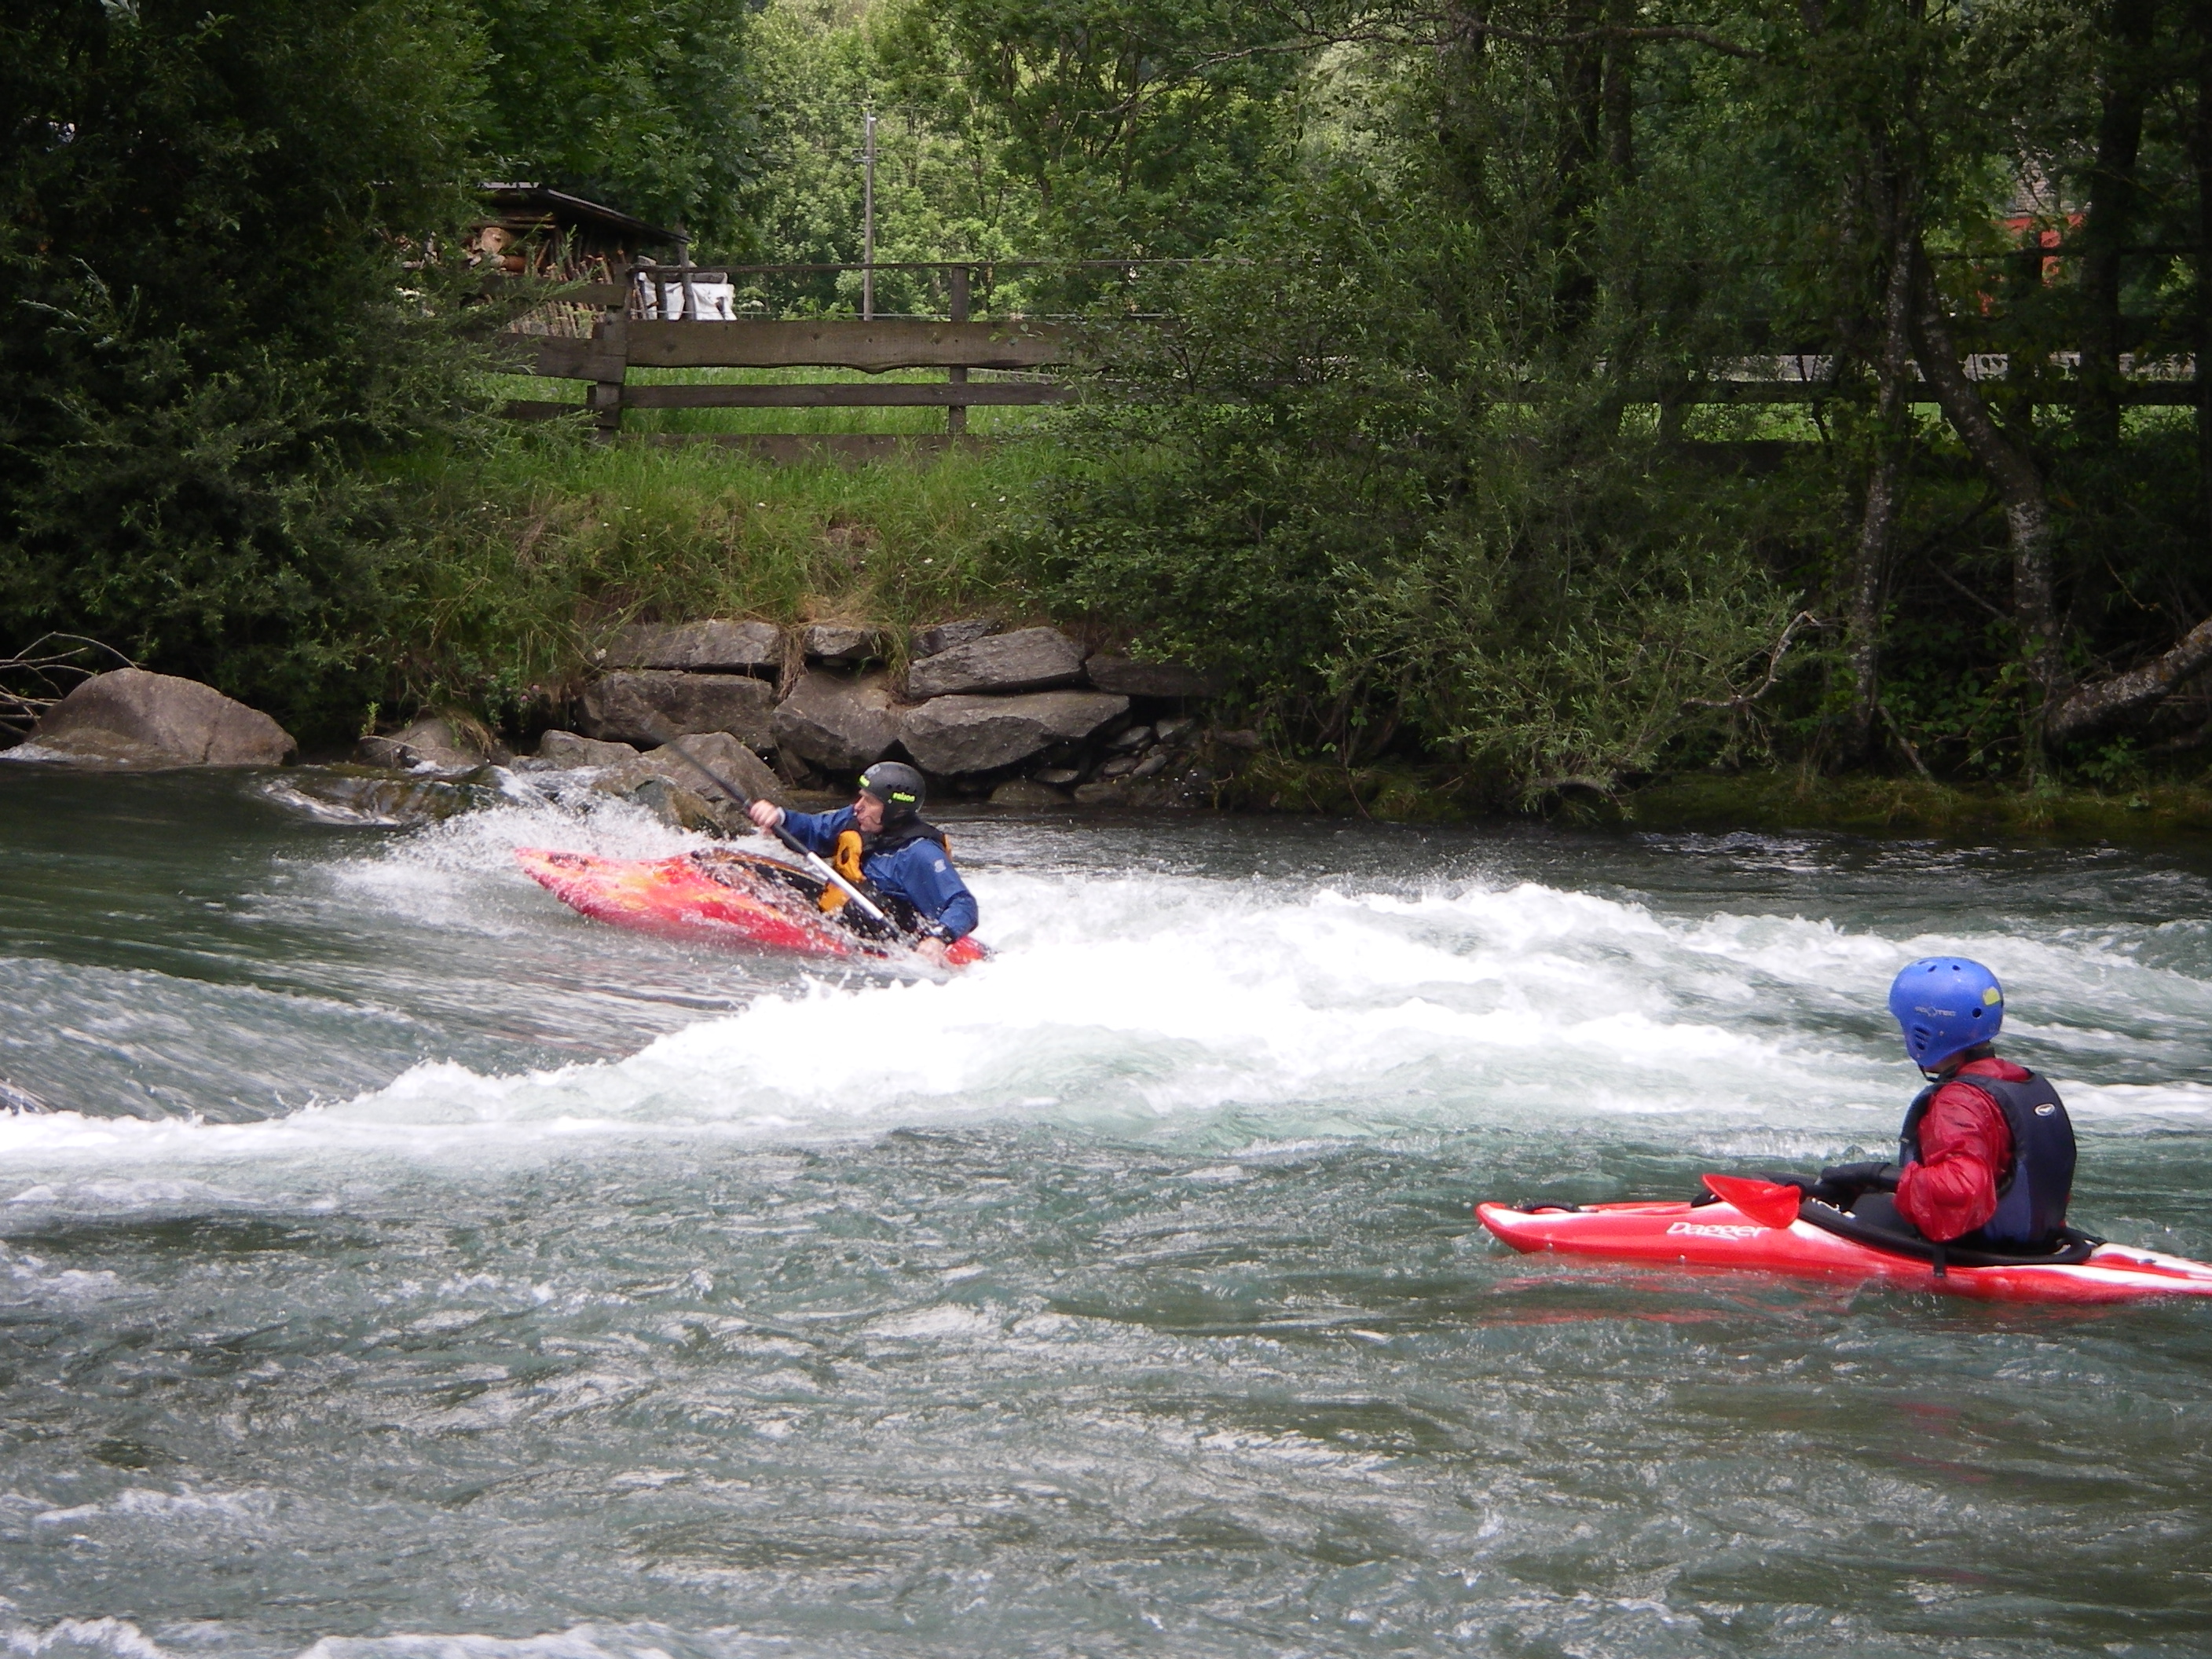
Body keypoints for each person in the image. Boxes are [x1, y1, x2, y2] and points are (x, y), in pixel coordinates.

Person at [1882, 956, 2075, 1247]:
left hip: (1981, 1249)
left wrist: (1887, 1178)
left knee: (1857, 1204)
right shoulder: (2022, 1082)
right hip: (2041, 1240)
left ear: (1924, 1032)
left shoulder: (1958, 1103)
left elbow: (1962, 1188)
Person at [747, 762, 976, 965]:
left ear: (896, 811)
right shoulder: (855, 819)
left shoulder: (920, 853)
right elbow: (813, 830)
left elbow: (963, 904)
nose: (858, 806)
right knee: (752, 871)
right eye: (861, 797)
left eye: (870, 801)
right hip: (836, 914)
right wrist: (779, 817)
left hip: (881, 938)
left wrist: (938, 939)